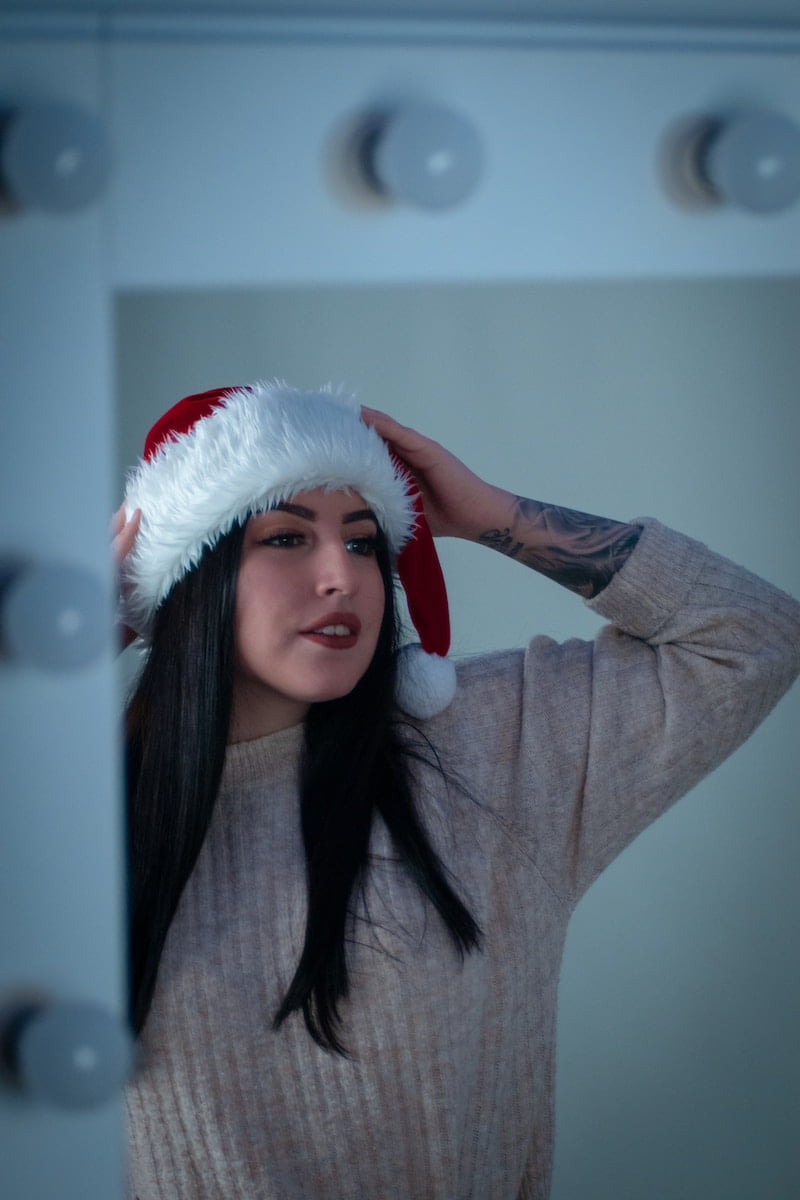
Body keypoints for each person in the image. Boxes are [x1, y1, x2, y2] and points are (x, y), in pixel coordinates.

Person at [116, 380, 800, 1200]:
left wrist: (492, 516)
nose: (342, 577)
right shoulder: (75, 812)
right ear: (193, 574)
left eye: (364, 543)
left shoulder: (490, 746)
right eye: (287, 538)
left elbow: (752, 637)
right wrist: (80, 638)